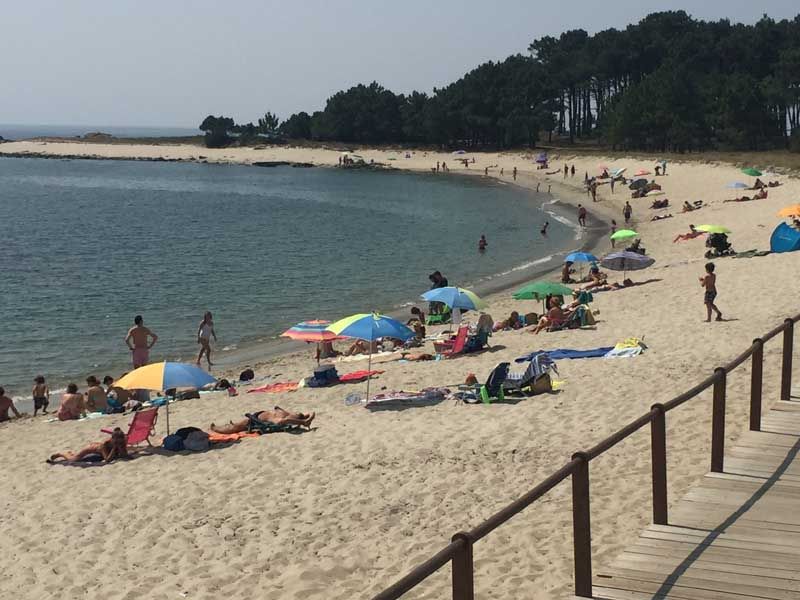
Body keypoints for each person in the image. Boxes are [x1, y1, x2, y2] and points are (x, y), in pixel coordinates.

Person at [48, 428, 128, 464]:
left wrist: (121, 447)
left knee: (75, 457)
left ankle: (70, 453)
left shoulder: (122, 441)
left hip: (97, 448)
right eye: (117, 441)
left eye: (120, 442)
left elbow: (124, 454)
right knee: (73, 459)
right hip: (90, 448)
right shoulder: (106, 444)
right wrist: (114, 448)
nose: (119, 443)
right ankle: (61, 454)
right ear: (112, 439)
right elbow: (107, 460)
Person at [211, 407, 315, 434]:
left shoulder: (283, 417)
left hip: (255, 420)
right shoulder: (286, 413)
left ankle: (215, 428)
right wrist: (304, 416)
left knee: (235, 427)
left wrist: (303, 422)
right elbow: (308, 413)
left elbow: (282, 422)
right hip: (258, 416)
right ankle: (218, 427)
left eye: (297, 414)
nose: (297, 412)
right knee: (235, 425)